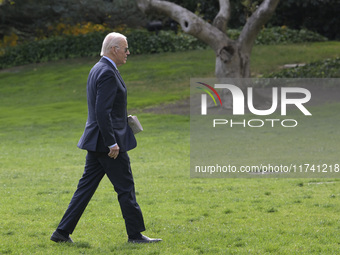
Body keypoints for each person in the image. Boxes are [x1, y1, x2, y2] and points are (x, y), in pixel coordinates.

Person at [50, 32, 162, 244]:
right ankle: (135, 235)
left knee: (85, 188)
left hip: (96, 141)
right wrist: (112, 142)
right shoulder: (108, 72)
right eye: (125, 48)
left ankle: (61, 233)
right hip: (107, 144)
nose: (128, 52)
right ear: (114, 49)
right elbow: (102, 111)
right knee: (125, 187)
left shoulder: (98, 68)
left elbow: (105, 108)